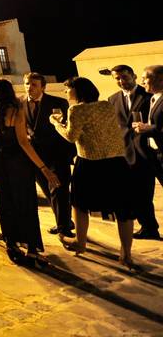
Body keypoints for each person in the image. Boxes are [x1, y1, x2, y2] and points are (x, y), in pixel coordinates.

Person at [52, 77, 136, 267]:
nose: (66, 93)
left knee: (80, 203)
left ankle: (80, 243)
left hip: (90, 164)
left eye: (68, 90)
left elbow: (71, 137)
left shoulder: (76, 109)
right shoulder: (106, 106)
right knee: (123, 208)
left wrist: (56, 124)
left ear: (77, 91)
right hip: (116, 162)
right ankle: (126, 254)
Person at [0, 79, 59, 266]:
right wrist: (44, 168)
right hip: (17, 160)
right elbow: (23, 143)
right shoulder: (16, 111)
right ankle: (32, 248)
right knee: (25, 202)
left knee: (5, 200)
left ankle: (12, 243)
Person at [108, 65, 158, 240]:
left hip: (149, 153)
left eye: (124, 77)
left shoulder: (150, 96)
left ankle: (150, 227)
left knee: (145, 193)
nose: (121, 81)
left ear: (134, 76)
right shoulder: (112, 99)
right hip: (126, 154)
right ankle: (149, 227)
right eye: (117, 78)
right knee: (136, 194)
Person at [23, 72, 75, 237]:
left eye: (33, 85)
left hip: (57, 154)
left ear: (43, 87)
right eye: (27, 84)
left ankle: (63, 228)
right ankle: (64, 220)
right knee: (48, 190)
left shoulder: (58, 102)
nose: (29, 87)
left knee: (59, 190)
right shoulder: (20, 104)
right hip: (36, 156)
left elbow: (67, 127)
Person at [135, 66, 163, 238]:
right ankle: (150, 229)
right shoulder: (153, 98)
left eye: (146, 78)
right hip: (154, 154)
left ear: (160, 79)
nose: (142, 81)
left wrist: (149, 128)